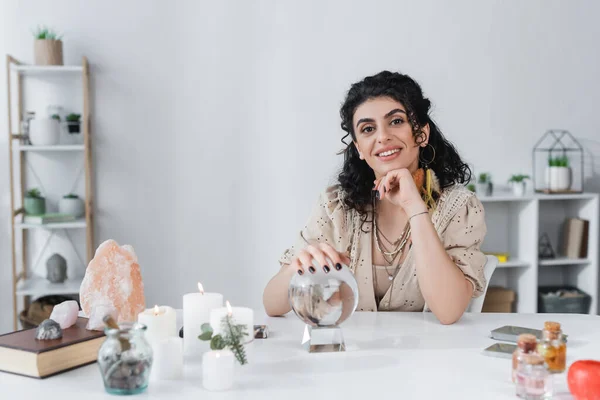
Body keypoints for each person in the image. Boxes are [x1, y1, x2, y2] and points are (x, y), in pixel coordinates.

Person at [263, 71, 487, 324]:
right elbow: (272, 305)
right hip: (352, 355)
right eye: (368, 129)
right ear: (359, 148)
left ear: (421, 134)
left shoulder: (459, 207)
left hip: (429, 356)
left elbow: (449, 312)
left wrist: (415, 208)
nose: (382, 137)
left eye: (396, 121)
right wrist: (300, 266)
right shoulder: (336, 206)